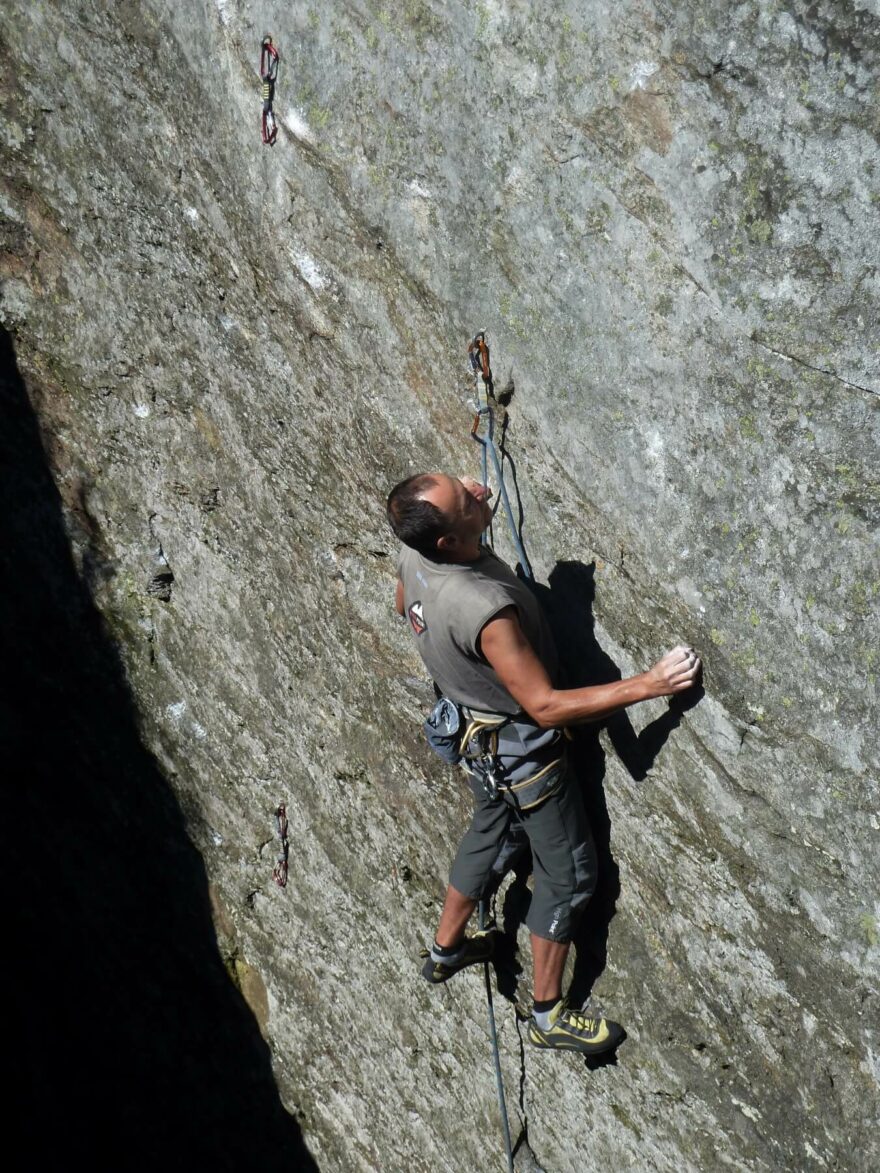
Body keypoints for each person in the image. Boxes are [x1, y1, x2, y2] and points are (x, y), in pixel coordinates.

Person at [386, 471, 702, 1055]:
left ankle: (445, 949)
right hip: (524, 758)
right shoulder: (484, 609)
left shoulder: (415, 556)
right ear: (447, 542)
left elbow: (406, 605)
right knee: (569, 874)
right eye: (464, 499)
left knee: (491, 831)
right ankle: (549, 1014)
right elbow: (545, 706)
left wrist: (470, 521)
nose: (475, 489)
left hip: (473, 739)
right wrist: (651, 684)